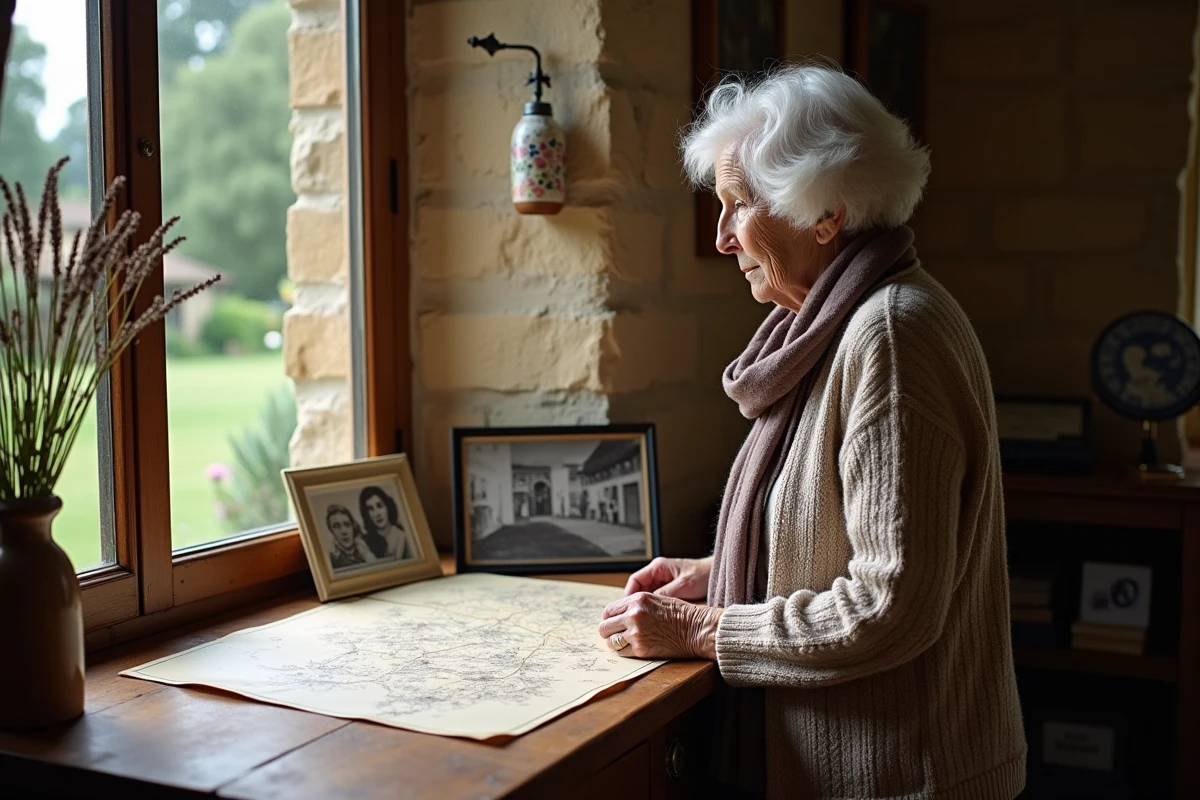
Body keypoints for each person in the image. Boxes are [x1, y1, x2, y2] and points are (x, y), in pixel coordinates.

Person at [597, 65, 1026, 799]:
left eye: (739, 206)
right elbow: (850, 530)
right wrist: (719, 570)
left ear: (825, 213)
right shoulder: (841, 325)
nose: (725, 237)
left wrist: (702, 629)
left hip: (901, 778)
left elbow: (889, 607)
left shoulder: (888, 335)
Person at [359, 485, 416, 561]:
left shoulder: (403, 537)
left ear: (387, 507)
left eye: (380, 506)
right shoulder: (364, 541)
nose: (377, 514)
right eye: (371, 509)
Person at [325, 504, 372, 570]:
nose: (344, 531)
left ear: (353, 527)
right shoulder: (331, 560)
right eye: (336, 526)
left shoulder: (368, 547)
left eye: (347, 525)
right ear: (331, 531)